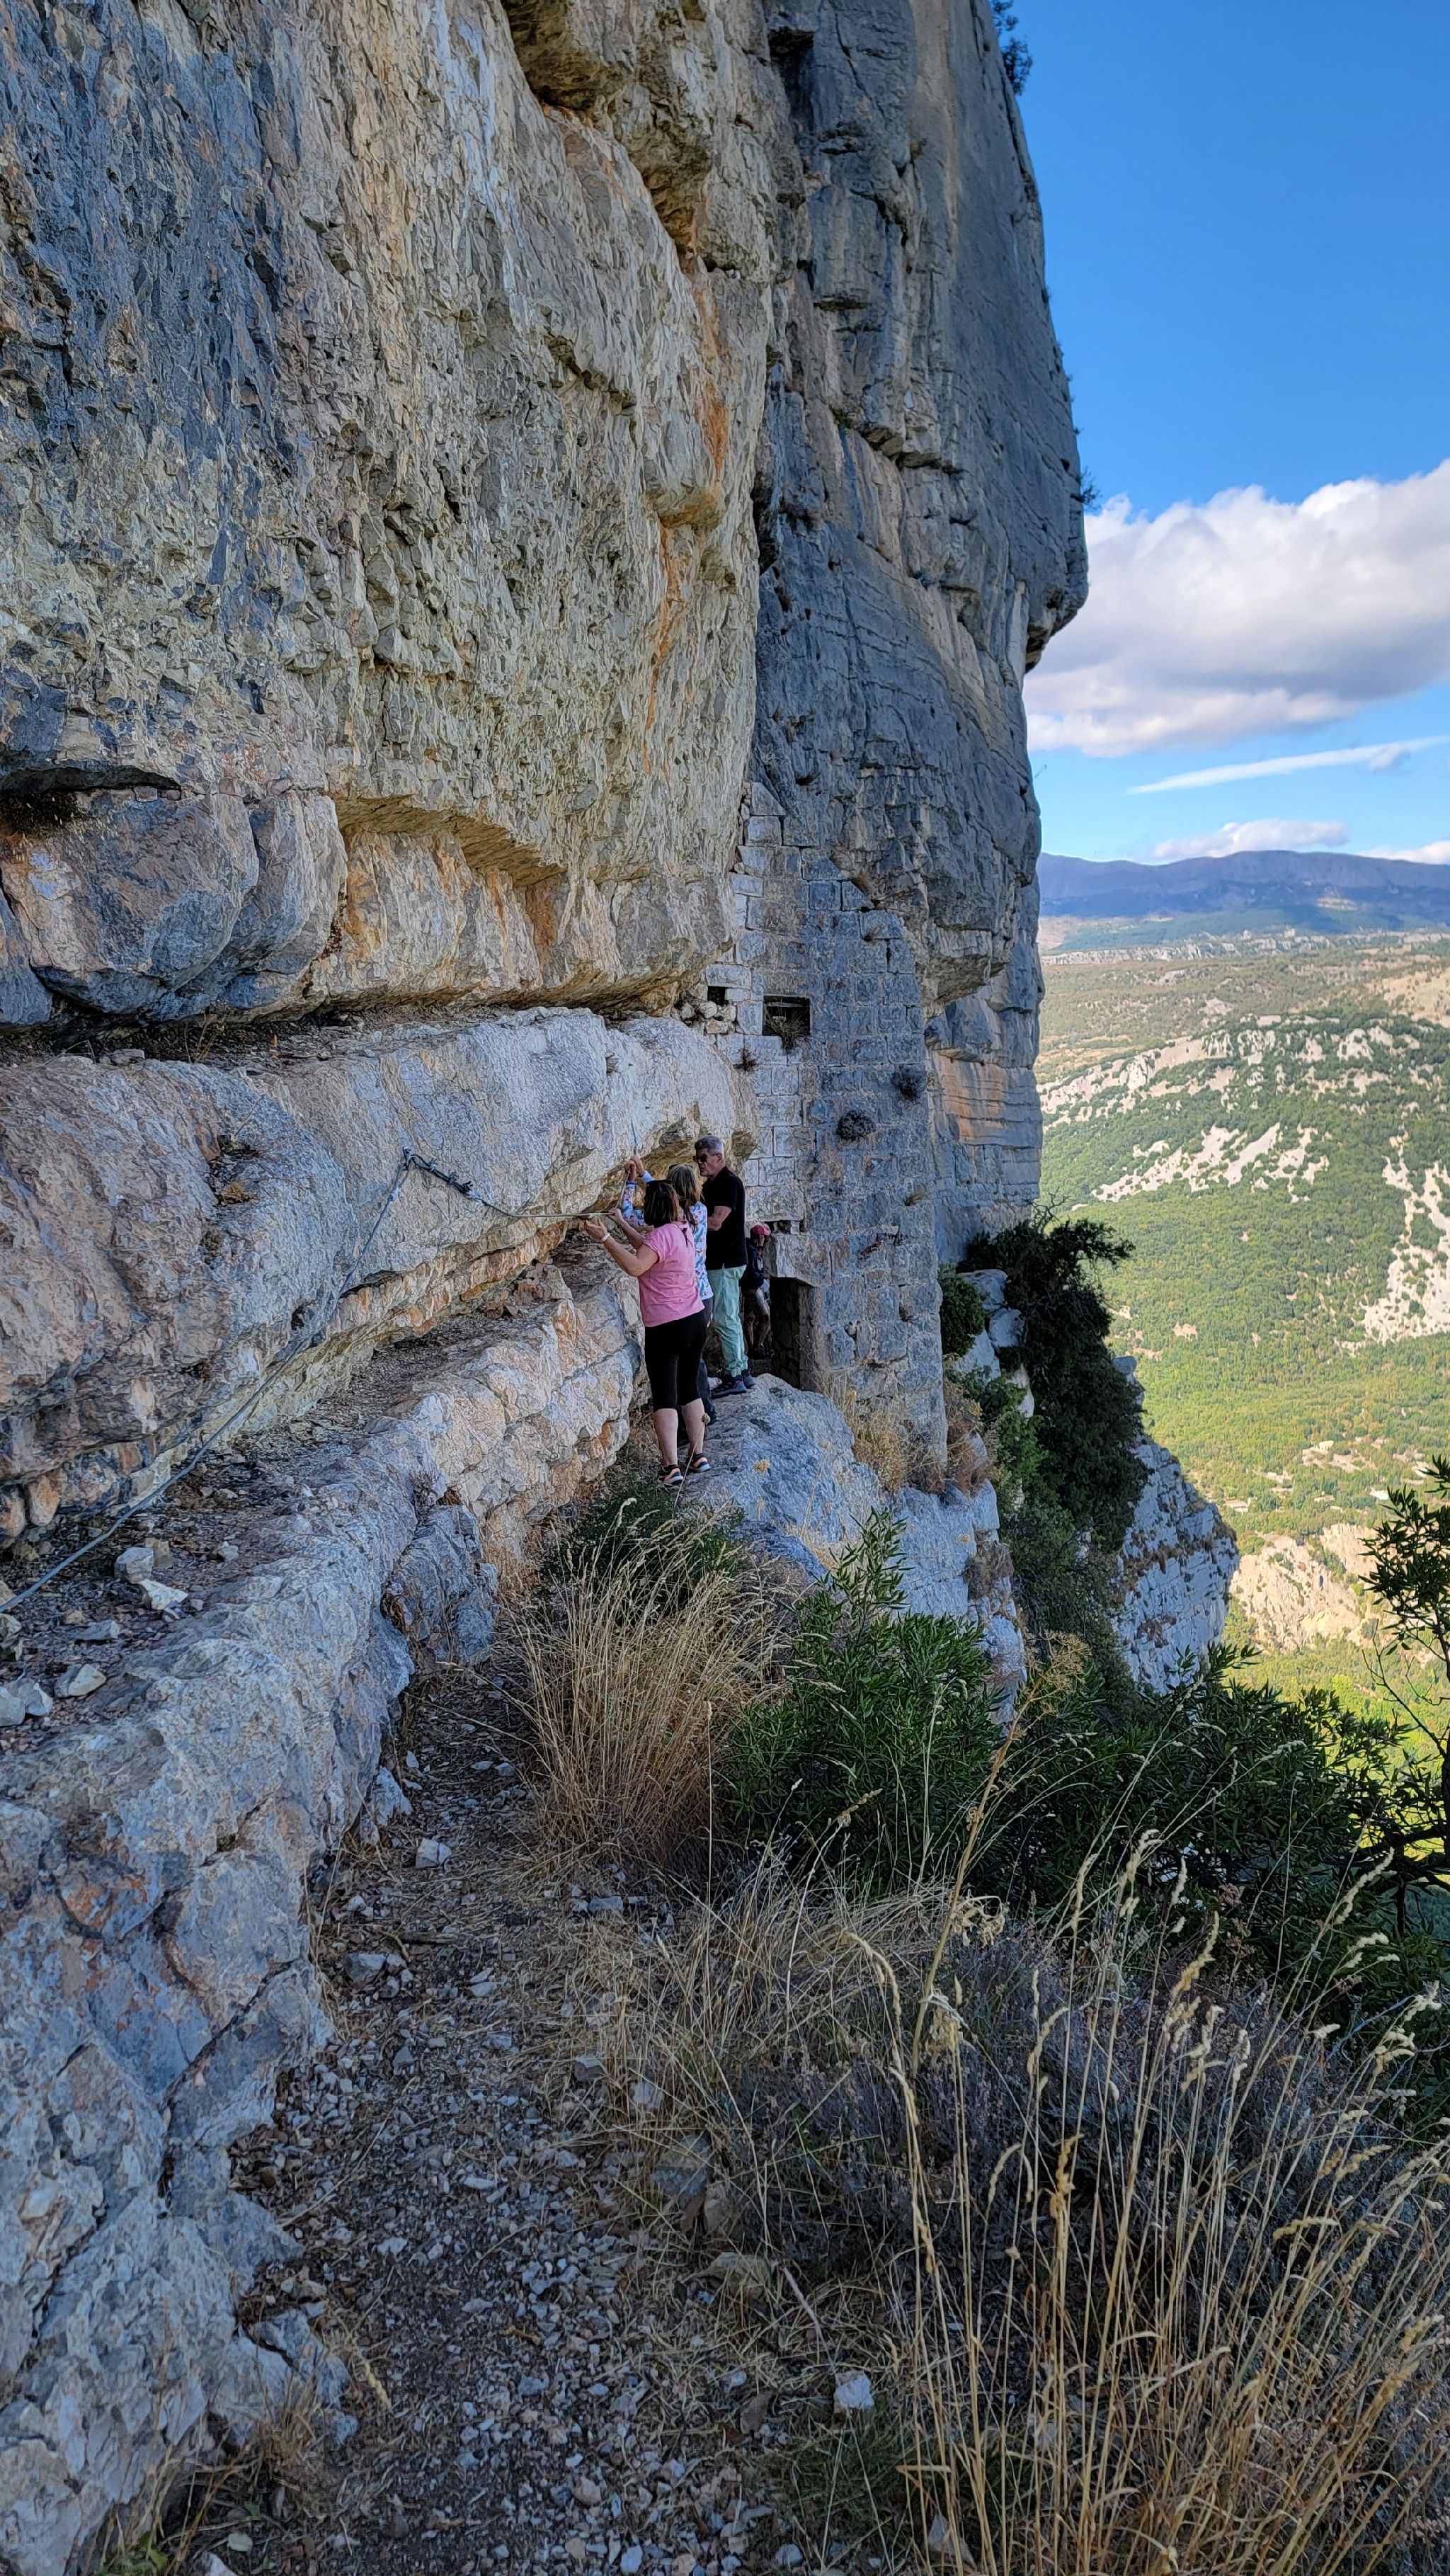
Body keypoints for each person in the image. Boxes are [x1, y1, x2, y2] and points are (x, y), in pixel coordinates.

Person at [583, 1179, 709, 1486]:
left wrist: (605, 1239)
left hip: (666, 1326)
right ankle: (698, 1455)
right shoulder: (682, 1229)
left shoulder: (662, 1236)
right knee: (690, 1389)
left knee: (665, 1397)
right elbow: (650, 1248)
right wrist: (621, 1224)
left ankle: (671, 1467)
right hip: (694, 1318)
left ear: (651, 1207)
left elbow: (637, 1266)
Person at [617, 1158, 717, 1425]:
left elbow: (630, 1216)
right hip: (703, 1295)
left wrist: (631, 1184)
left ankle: (687, 1423)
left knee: (679, 1372)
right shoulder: (699, 1212)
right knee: (694, 1363)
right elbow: (663, 1195)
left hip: (678, 1304)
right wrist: (645, 1175)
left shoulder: (670, 1223)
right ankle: (704, 1415)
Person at [695, 1134, 753, 1395]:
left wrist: (685, 1221)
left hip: (724, 1262)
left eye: (703, 1158)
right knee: (730, 1317)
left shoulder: (728, 1183)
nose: (700, 1163)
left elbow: (717, 1222)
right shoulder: (713, 1185)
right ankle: (743, 1370)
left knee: (724, 1318)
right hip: (725, 1260)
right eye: (697, 1158)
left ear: (718, 1157)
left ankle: (734, 1375)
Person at [743, 1222, 772, 1370]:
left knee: (750, 1318)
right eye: (765, 1237)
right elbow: (752, 1273)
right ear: (760, 1237)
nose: (766, 1240)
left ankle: (753, 1349)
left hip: (749, 1288)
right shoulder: (751, 1250)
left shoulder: (750, 1248)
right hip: (753, 1288)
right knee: (765, 1318)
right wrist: (762, 1278)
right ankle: (756, 1347)